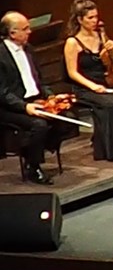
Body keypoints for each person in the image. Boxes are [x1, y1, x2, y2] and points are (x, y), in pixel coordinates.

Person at [61, 0, 113, 160]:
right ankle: (109, 150)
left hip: (106, 83)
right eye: (90, 18)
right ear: (80, 19)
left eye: (96, 17)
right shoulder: (72, 42)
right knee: (111, 105)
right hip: (85, 87)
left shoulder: (101, 36)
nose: (95, 21)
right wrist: (92, 86)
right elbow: (72, 73)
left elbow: (112, 63)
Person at [0, 11, 58, 184]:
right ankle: (34, 166)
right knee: (39, 125)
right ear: (12, 33)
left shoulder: (30, 50)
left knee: (66, 118)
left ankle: (29, 150)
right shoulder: (0, 55)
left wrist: (51, 97)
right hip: (10, 108)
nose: (29, 32)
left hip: (35, 100)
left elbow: (40, 80)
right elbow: (2, 92)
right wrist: (25, 107)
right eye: (25, 29)